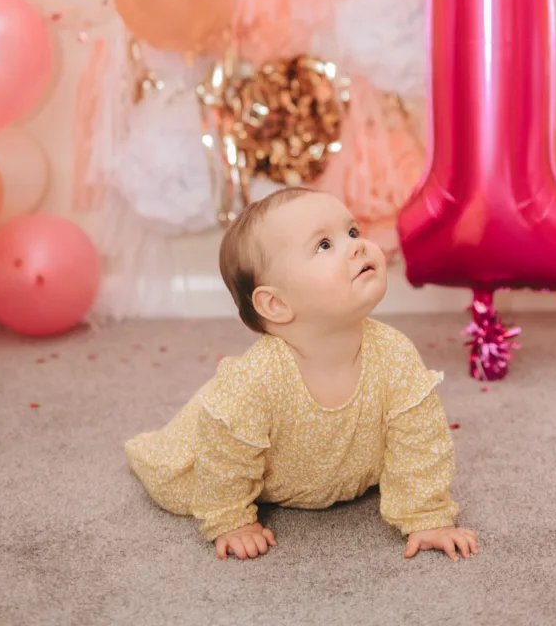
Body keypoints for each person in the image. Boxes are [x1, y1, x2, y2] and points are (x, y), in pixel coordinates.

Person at [125, 187, 478, 562]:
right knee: (184, 479)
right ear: (276, 304)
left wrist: (427, 517)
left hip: (332, 466)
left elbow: (420, 441)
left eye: (353, 232)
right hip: (225, 447)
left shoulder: (395, 354)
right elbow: (225, 461)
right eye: (324, 245)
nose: (356, 246)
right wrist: (231, 521)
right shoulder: (254, 381)